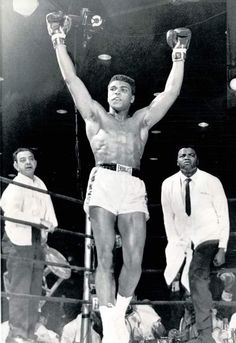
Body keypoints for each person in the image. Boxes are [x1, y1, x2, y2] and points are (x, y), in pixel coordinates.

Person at [46, 11, 191, 343]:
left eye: (122, 90)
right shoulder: (95, 115)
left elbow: (169, 94)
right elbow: (72, 80)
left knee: (135, 258)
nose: (115, 93)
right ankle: (112, 327)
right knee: (106, 253)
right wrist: (58, 39)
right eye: (112, 88)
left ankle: (115, 312)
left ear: (132, 97)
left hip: (133, 184)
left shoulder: (140, 121)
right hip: (104, 182)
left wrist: (178, 55)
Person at [161, 147, 230, 343]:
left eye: (191, 155)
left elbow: (223, 215)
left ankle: (205, 334)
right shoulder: (168, 184)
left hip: (209, 237)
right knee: (178, 282)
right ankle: (185, 332)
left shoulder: (211, 181)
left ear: (197, 159)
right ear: (177, 161)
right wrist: (174, 247)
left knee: (196, 277)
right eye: (183, 156)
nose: (187, 158)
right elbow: (168, 218)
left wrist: (223, 247)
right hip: (183, 240)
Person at [0, 148, 58, 343]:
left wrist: (50, 225)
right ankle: (16, 334)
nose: (28, 163)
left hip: (37, 242)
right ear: (16, 165)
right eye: (22, 160)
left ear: (35, 162)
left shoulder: (39, 183)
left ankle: (29, 332)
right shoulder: (14, 187)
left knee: (34, 289)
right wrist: (39, 220)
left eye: (31, 159)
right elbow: (11, 213)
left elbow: (48, 210)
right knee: (20, 289)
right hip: (18, 241)